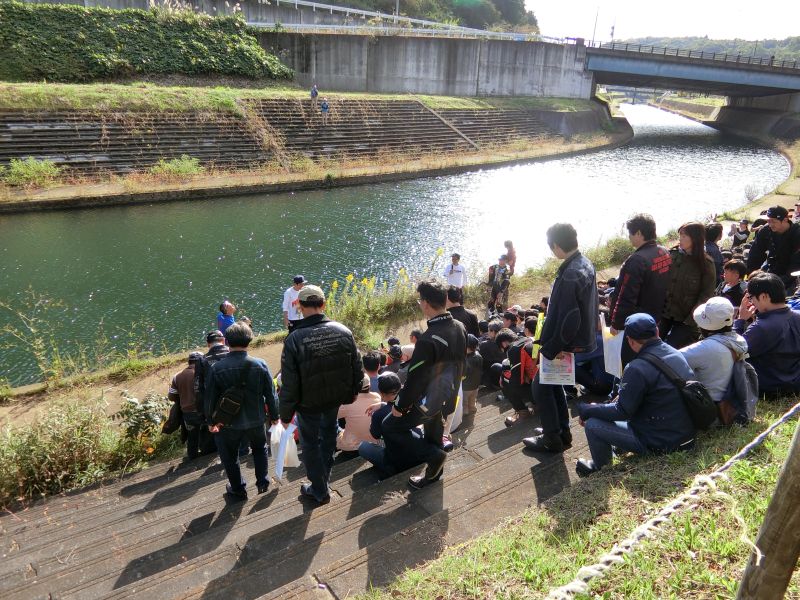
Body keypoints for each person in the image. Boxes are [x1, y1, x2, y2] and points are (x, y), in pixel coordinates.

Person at [574, 313, 696, 475]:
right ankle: (618, 448)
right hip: (685, 434)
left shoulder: (636, 368)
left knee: (593, 424)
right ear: (657, 331)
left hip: (662, 442)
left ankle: (602, 469)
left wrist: (588, 409)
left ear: (630, 341)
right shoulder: (675, 353)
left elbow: (622, 411)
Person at [279, 285, 364, 505]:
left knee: (309, 444)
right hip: (335, 398)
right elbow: (357, 366)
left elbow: (289, 384)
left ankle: (319, 489)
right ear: (323, 304)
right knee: (328, 437)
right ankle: (323, 481)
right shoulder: (343, 330)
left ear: (299, 306)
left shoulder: (294, 339)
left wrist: (285, 415)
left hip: (308, 404)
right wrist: (354, 392)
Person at [381, 281, 466, 490]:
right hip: (448, 394)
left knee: (389, 426)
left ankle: (433, 456)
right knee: (433, 432)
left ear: (426, 303)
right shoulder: (459, 326)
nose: (420, 304)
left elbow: (416, 379)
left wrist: (400, 406)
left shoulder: (428, 340)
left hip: (427, 399)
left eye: (420, 300)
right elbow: (461, 364)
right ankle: (433, 474)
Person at [523, 223, 598, 453]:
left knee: (540, 387)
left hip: (565, 341)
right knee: (553, 384)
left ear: (556, 245)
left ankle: (552, 438)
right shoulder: (584, 263)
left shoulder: (570, 274)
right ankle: (560, 432)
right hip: (579, 338)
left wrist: (552, 347)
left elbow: (570, 317)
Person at [205, 323, 279, 501]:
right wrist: (275, 416)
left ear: (227, 341)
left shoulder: (217, 368)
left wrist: (210, 421)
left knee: (230, 456)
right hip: (256, 419)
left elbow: (210, 399)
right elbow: (271, 394)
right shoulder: (260, 365)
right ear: (249, 340)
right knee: (260, 449)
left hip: (228, 423)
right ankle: (263, 483)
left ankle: (238, 489)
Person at [734, 272, 800, 395]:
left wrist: (740, 320)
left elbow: (734, 351)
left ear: (764, 296)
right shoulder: (797, 316)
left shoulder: (761, 327)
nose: (752, 302)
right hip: (795, 384)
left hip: (768, 388)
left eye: (751, 297)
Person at [607, 214, 671, 336]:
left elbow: (626, 295)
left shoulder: (637, 260)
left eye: (630, 233)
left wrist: (616, 323)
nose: (629, 237)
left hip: (638, 322)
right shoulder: (663, 251)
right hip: (657, 316)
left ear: (638, 233)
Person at [679, 297, 748, 403]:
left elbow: (671, 360)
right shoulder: (737, 340)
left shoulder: (707, 347)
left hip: (703, 403)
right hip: (725, 402)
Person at [659, 222, 716, 349]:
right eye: (680, 235)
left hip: (686, 319)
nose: (680, 239)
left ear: (695, 238)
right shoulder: (672, 255)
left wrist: (691, 320)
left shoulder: (706, 263)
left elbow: (706, 295)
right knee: (651, 345)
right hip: (665, 313)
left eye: (684, 236)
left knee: (672, 349)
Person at [746, 205, 800, 294]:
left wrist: (777, 284)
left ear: (785, 220)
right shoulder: (765, 230)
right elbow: (755, 254)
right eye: (768, 221)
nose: (770, 224)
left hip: (793, 274)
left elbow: (796, 264)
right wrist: (751, 276)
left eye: (773, 221)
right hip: (771, 267)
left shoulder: (797, 234)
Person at [168, 352, 204, 459]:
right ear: (201, 361)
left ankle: (192, 458)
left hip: (188, 414)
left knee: (192, 437)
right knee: (208, 434)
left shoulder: (177, 376)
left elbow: (171, 396)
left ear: (189, 362)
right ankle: (207, 456)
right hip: (203, 412)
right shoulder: (204, 373)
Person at [503, 318, 538, 427]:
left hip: (540, 387)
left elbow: (516, 381)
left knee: (505, 380)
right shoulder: (536, 339)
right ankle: (536, 405)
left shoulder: (516, 347)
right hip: (555, 382)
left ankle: (523, 412)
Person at [337, 375, 382, 452]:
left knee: (332, 424)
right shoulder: (377, 397)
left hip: (351, 446)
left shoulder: (348, 401)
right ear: (369, 385)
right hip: (372, 445)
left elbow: (333, 416)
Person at [463, 334, 483, 415]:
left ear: (467, 348)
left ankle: (465, 411)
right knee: (473, 399)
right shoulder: (478, 355)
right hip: (476, 385)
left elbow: (463, 374)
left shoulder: (466, 361)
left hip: (466, 387)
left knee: (464, 401)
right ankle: (472, 408)